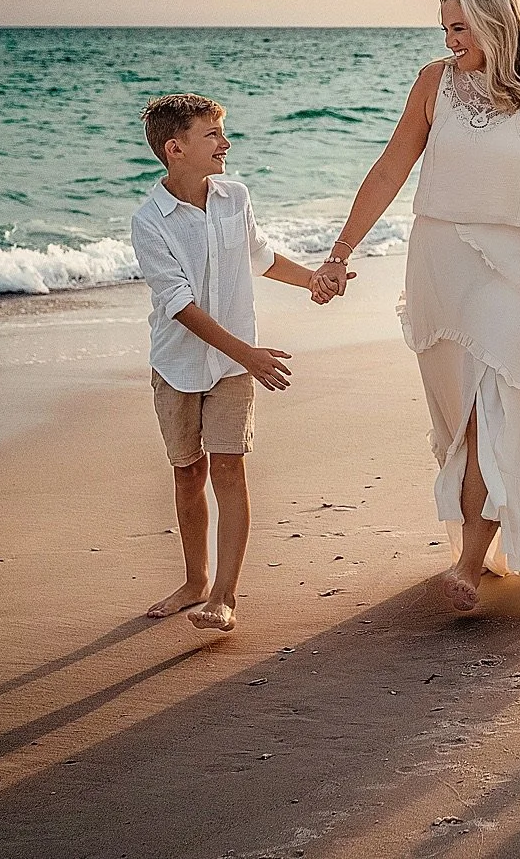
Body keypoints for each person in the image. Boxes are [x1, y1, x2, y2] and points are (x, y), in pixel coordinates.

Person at [312, 0, 520, 614]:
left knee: (493, 407)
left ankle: (466, 564)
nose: (449, 39)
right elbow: (390, 167)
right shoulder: (434, 83)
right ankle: (484, 541)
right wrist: (339, 253)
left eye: (459, 27)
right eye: (444, 27)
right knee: (453, 418)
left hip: (506, 269)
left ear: (498, 23)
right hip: (436, 262)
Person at [129, 93, 342, 634]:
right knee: (187, 473)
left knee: (228, 466)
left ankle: (224, 595)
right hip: (177, 364)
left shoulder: (234, 197)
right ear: (176, 149)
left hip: (231, 367)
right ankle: (194, 580)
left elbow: (261, 256)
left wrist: (312, 278)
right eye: (213, 136)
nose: (226, 144)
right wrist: (248, 353)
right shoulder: (149, 221)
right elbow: (178, 305)